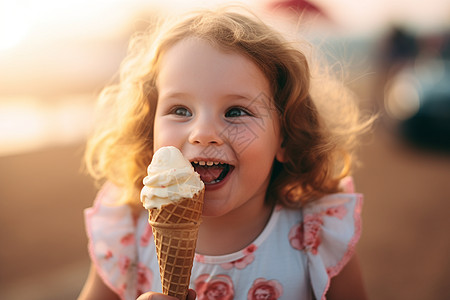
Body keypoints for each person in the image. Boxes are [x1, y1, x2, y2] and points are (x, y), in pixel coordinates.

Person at [78, 5, 372, 300]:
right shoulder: (127, 237)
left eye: (235, 111)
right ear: (148, 127)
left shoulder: (316, 238)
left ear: (284, 137)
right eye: (180, 110)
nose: (203, 132)